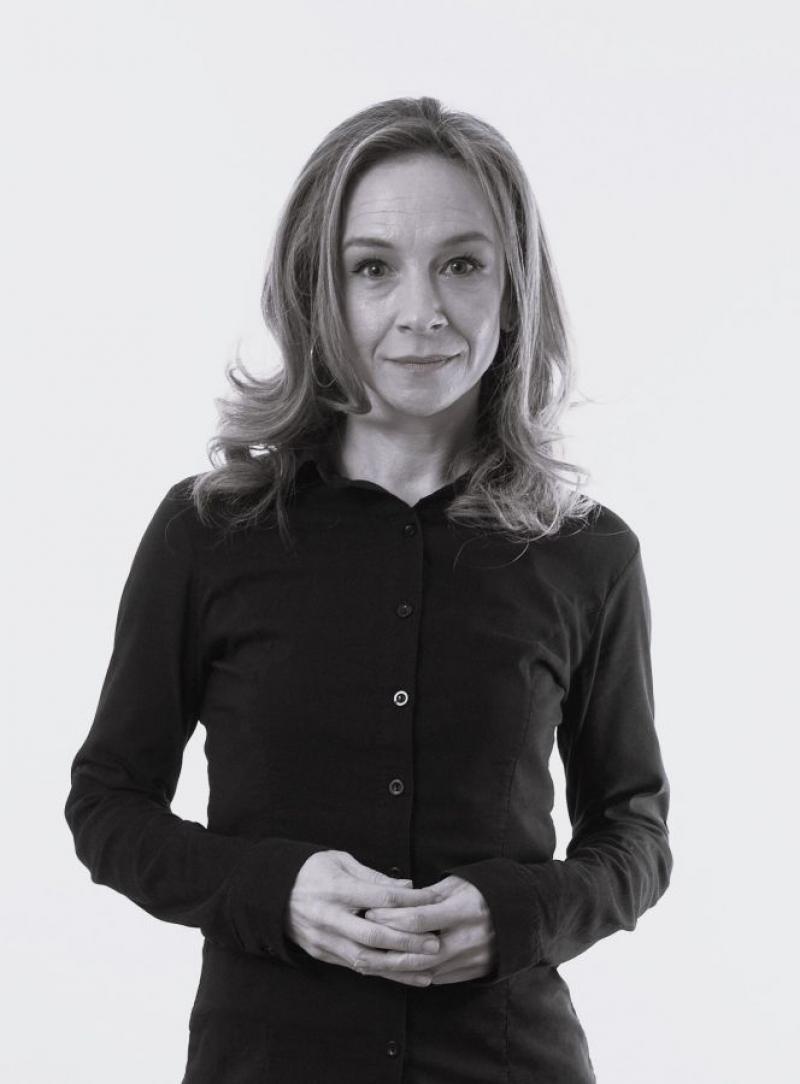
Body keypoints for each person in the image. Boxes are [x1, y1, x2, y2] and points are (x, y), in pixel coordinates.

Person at [64, 95, 673, 1083]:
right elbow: (107, 806)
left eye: (462, 265)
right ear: (319, 289)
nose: (420, 312)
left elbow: (634, 832)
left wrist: (520, 913)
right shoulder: (208, 532)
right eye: (373, 267)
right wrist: (272, 889)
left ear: (513, 291)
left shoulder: (587, 553)